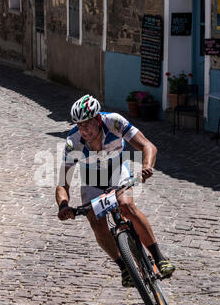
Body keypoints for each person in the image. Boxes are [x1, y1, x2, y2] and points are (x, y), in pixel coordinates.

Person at [55, 94, 175, 287]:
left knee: (126, 205)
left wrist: (146, 166)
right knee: (95, 220)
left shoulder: (114, 122)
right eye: (78, 124)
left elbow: (147, 145)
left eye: (86, 123)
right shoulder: (73, 141)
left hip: (118, 170)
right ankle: (124, 267)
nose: (83, 129)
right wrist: (63, 205)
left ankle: (159, 257)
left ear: (98, 119)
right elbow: (63, 183)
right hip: (92, 179)